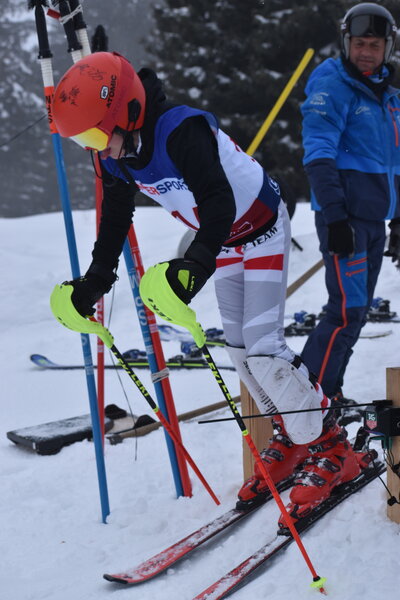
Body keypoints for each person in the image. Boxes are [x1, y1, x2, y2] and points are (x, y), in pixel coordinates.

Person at [51, 51, 367, 524]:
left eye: (96, 134)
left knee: (265, 349)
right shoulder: (114, 154)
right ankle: (293, 435)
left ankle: (331, 446)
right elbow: (115, 217)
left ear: (129, 113)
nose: (95, 148)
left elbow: (218, 201)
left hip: (259, 227)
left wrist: (194, 266)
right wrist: (97, 281)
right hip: (221, 240)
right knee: (240, 353)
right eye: (83, 141)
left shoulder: (180, 131)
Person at [300, 2, 400, 402]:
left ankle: (329, 394)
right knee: (345, 312)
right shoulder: (332, 87)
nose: (366, 52)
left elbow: (395, 163)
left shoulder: (388, 97)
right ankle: (306, 403)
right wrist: (336, 219)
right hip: (346, 220)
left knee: (355, 315)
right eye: (359, 43)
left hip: (373, 222)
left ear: (387, 48)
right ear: (346, 42)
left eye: (374, 45)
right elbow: (318, 154)